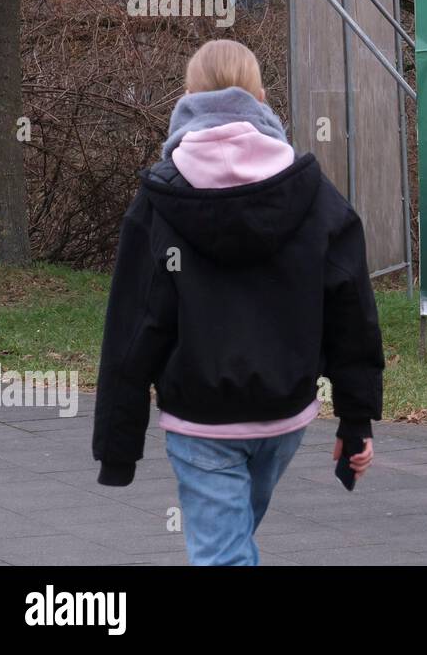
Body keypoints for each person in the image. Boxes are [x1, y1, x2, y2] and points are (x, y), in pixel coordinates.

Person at [92, 39, 384, 565]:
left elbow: (134, 328)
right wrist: (356, 419)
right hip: (284, 415)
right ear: (263, 99)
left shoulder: (160, 201)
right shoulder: (315, 196)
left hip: (200, 419)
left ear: (186, 99)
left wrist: (117, 447)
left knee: (223, 554)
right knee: (232, 546)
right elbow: (352, 311)